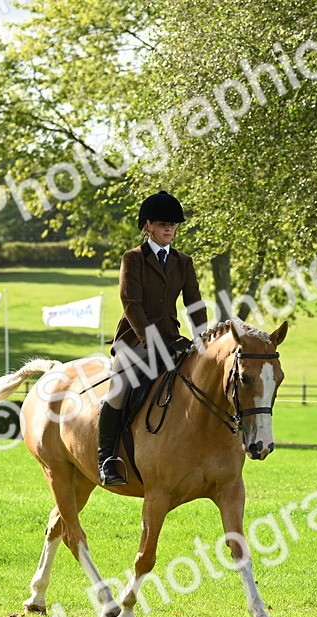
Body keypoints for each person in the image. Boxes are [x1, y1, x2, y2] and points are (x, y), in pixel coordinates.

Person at [98, 190, 209, 486]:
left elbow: (194, 303)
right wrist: (151, 342)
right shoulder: (133, 259)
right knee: (119, 389)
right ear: (148, 226)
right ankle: (106, 459)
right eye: (163, 224)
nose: (169, 229)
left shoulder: (183, 261)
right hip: (136, 341)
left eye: (173, 225)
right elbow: (131, 303)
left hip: (173, 340)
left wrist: (202, 337)